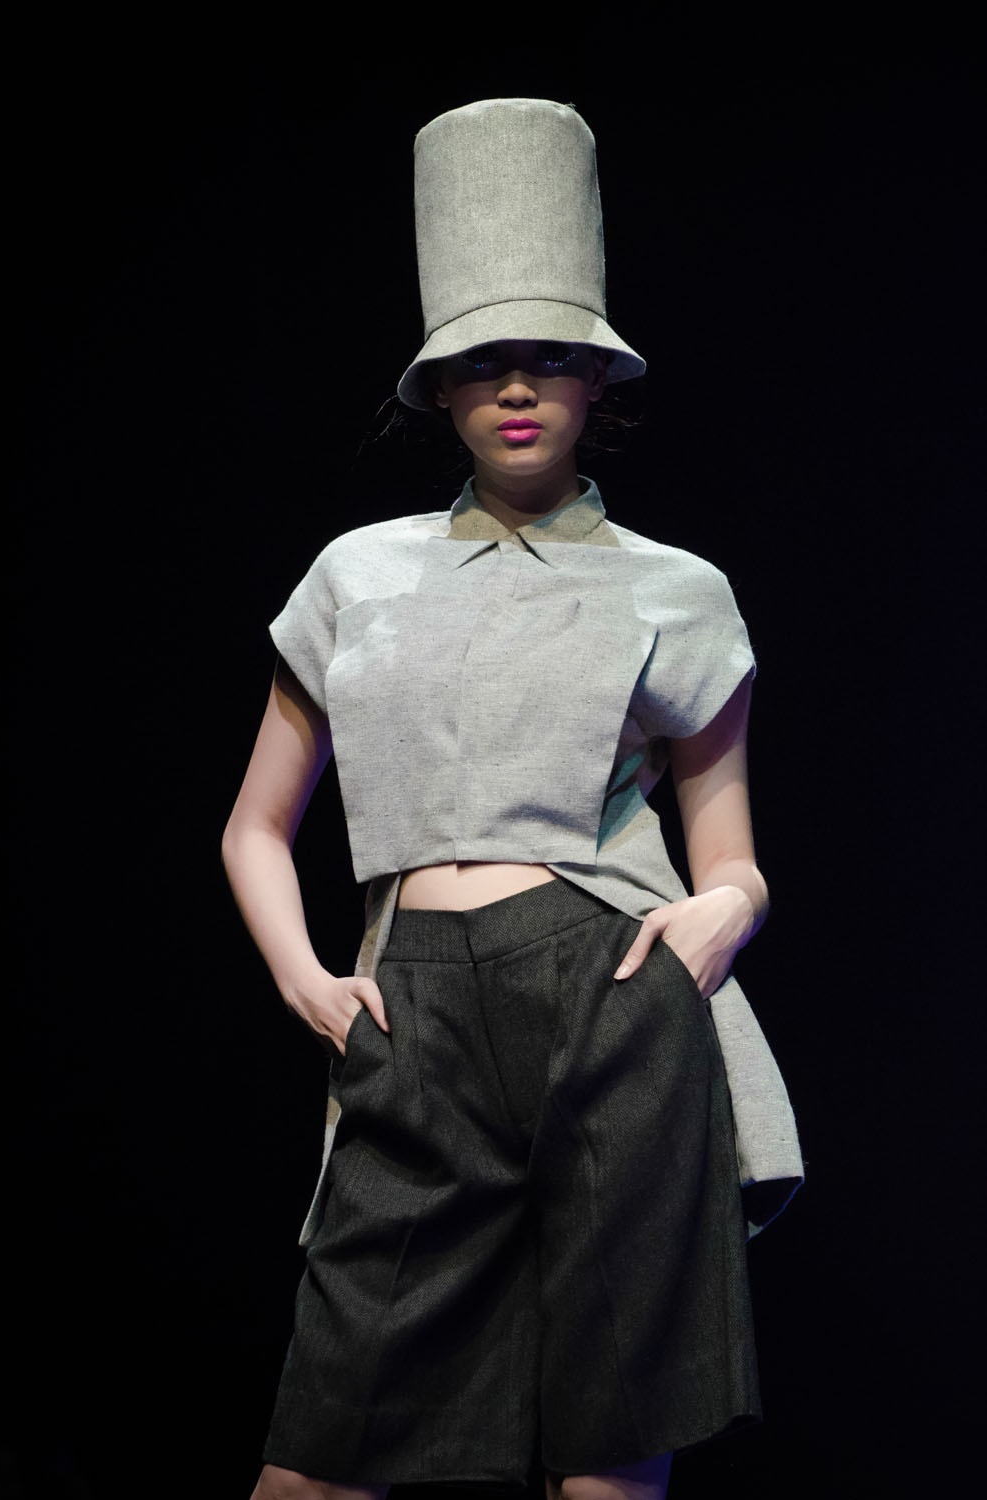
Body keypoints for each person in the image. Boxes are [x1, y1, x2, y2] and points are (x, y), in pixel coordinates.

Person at [222, 99, 803, 1500]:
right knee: (320, 1458)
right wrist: (305, 980)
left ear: (598, 380)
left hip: (612, 991)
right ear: (439, 392)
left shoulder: (676, 589)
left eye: (550, 359)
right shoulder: (358, 573)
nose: (518, 389)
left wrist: (717, 919)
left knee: (604, 1461)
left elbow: (731, 854)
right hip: (411, 1003)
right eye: (483, 363)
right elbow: (255, 824)